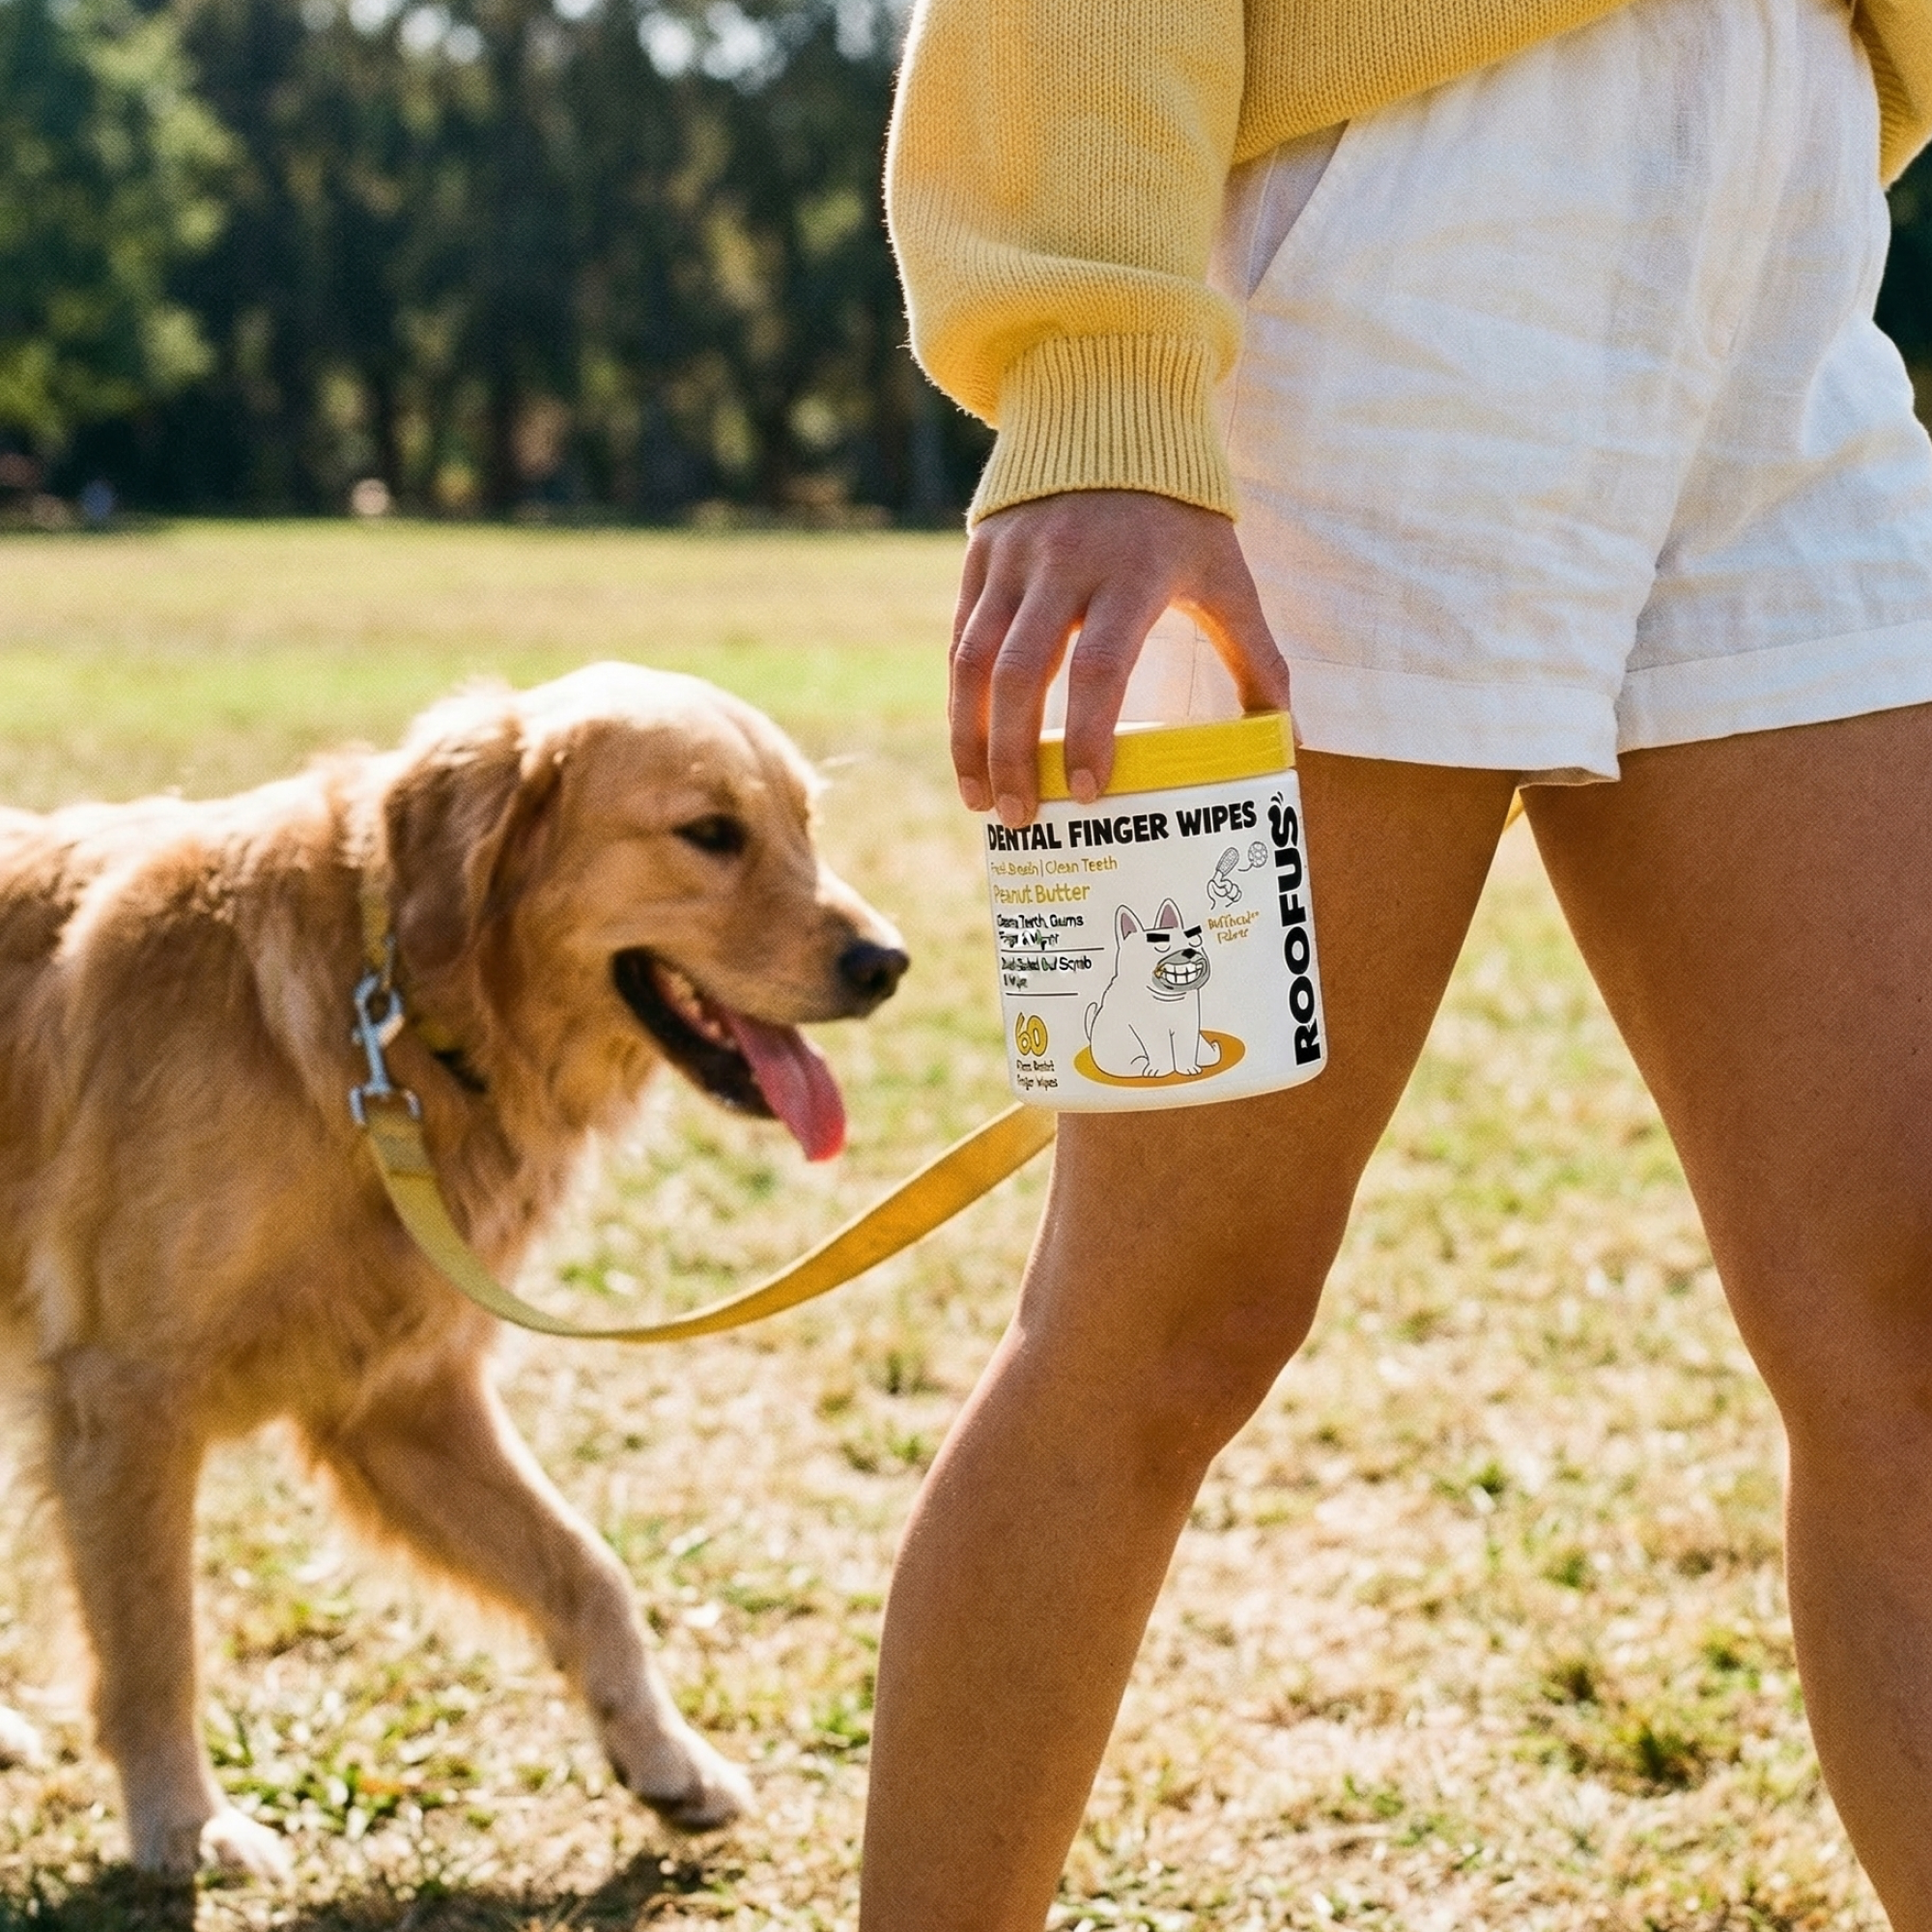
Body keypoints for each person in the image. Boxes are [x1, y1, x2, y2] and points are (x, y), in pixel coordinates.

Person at [865, 0, 1932, 1925]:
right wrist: (1095, 373)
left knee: (1913, 1321)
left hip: (1778, 260)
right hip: (1356, 285)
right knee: (1166, 1319)